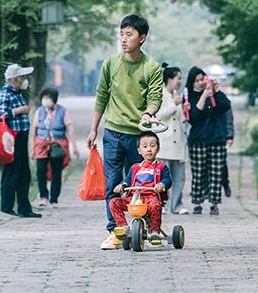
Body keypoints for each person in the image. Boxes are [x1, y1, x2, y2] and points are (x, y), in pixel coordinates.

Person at [86, 14, 163, 250]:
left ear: (142, 39)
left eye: (129, 34)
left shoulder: (151, 67)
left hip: (138, 136)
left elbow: (155, 96)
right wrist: (93, 129)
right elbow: (102, 96)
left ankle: (150, 227)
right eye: (121, 34)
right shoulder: (110, 63)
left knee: (142, 185)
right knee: (113, 185)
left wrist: (148, 112)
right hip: (112, 134)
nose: (123, 39)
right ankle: (116, 231)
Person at [0, 63, 41, 218]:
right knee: (11, 173)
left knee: (23, 173)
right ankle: (6, 208)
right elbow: (1, 115)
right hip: (10, 139)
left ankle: (24, 208)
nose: (24, 79)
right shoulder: (4, 94)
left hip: (21, 138)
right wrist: (19, 110)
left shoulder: (17, 93)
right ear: (14, 79)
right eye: (21, 77)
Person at [109, 131, 172, 242]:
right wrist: (121, 186)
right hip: (135, 198)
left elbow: (168, 180)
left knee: (155, 205)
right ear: (139, 150)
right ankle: (123, 227)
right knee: (114, 202)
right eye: (145, 146)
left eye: (152, 146)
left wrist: (161, 185)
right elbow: (127, 181)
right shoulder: (135, 167)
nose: (149, 149)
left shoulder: (161, 167)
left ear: (158, 149)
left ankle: (154, 231)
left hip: (151, 196)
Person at [185, 66, 231, 215]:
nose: (199, 83)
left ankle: (214, 203)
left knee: (216, 173)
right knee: (198, 173)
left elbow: (226, 106)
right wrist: (204, 95)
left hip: (217, 140)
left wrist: (216, 90)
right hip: (197, 141)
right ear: (191, 83)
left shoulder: (214, 94)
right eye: (196, 81)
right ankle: (197, 202)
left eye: (201, 80)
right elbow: (194, 117)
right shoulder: (189, 97)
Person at [29, 87, 81, 207]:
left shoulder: (63, 111)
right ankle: (43, 196)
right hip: (41, 144)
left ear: (54, 100)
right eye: (44, 98)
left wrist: (74, 146)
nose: (45, 101)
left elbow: (70, 130)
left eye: (48, 98)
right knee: (40, 170)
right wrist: (32, 148)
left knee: (56, 172)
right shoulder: (39, 111)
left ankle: (54, 199)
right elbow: (34, 130)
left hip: (57, 145)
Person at [155, 64, 189, 214]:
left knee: (179, 176)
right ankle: (161, 205)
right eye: (178, 78)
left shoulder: (177, 95)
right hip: (165, 140)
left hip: (178, 141)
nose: (180, 81)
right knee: (163, 176)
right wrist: (174, 105)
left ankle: (176, 205)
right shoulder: (160, 95)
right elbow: (159, 116)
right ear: (169, 79)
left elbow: (180, 119)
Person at [221, 107, 235, 198]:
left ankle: (225, 183)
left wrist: (229, 136)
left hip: (220, 136)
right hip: (204, 136)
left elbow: (229, 119)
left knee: (222, 163)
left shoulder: (222, 100)